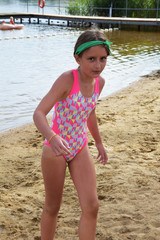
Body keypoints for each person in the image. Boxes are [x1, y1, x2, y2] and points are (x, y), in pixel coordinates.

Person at [33, 29, 111, 240]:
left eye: (102, 59)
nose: (98, 65)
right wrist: (51, 137)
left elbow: (90, 111)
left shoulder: (100, 83)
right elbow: (39, 113)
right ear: (77, 57)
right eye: (91, 59)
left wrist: (99, 144)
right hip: (55, 150)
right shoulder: (67, 80)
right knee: (52, 207)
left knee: (92, 205)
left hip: (79, 147)